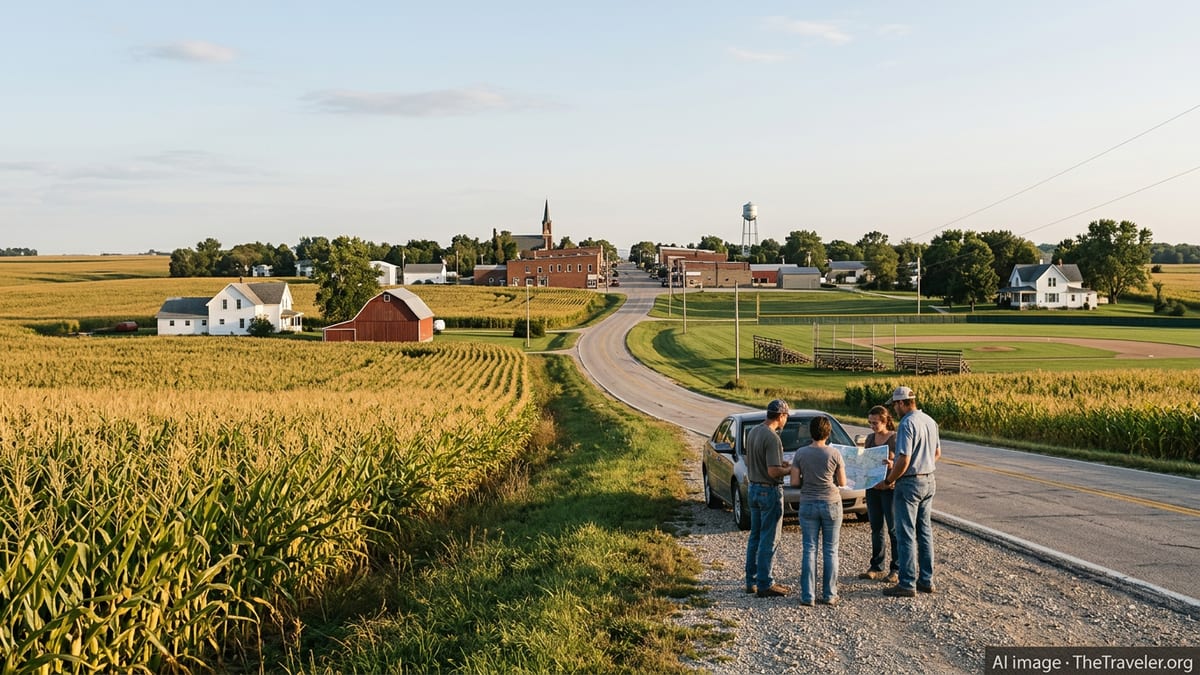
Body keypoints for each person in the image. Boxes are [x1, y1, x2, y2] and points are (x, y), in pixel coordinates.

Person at [875, 386, 941, 598]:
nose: (894, 409)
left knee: (906, 533)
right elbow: (937, 452)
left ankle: (907, 582)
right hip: (929, 479)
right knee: (925, 531)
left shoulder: (907, 424)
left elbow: (904, 458)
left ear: (902, 403)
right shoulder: (930, 421)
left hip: (909, 483)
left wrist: (889, 479)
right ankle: (926, 580)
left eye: (895, 404)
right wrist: (924, 463)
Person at [790, 415, 847, 606]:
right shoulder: (834, 454)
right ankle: (829, 594)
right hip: (831, 502)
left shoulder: (800, 453)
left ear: (810, 432)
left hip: (808, 502)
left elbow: (795, 482)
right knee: (831, 550)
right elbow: (842, 482)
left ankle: (808, 595)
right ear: (828, 432)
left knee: (809, 548)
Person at [744, 399, 792, 598]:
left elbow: (758, 460)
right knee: (769, 538)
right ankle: (765, 583)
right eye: (786, 416)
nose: (786, 420)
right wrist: (789, 468)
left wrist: (779, 463)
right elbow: (773, 472)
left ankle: (752, 580)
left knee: (755, 535)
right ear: (781, 416)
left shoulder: (754, 431)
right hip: (768, 490)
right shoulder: (773, 438)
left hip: (753, 487)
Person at [858, 404, 898, 583]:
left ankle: (896, 568)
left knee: (893, 529)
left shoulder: (894, 438)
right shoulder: (870, 439)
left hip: (889, 488)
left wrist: (891, 464)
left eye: (875, 423)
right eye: (870, 423)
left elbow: (903, 461)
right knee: (876, 528)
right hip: (872, 488)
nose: (872, 426)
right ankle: (876, 565)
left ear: (884, 421)